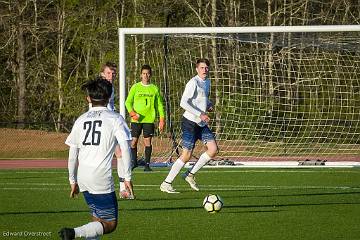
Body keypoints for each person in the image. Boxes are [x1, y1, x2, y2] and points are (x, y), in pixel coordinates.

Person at [58, 78, 133, 240]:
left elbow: (73, 153)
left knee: (97, 218)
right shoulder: (115, 119)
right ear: (109, 97)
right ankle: (73, 233)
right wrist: (127, 177)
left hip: (83, 177)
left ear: (89, 98)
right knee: (110, 224)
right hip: (100, 177)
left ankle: (79, 233)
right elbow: (125, 148)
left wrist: (72, 180)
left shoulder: (81, 120)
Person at [160, 58, 218, 193]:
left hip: (201, 123)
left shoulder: (207, 81)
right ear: (197, 69)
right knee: (186, 155)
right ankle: (166, 183)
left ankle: (189, 174)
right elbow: (183, 103)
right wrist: (200, 114)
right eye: (202, 68)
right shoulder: (193, 83)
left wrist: (208, 104)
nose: (205, 70)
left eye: (206, 68)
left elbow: (200, 99)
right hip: (190, 123)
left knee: (213, 149)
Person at [100, 62, 134, 199]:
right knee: (106, 156)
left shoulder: (110, 86)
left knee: (119, 153)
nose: (111, 75)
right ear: (102, 73)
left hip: (111, 123)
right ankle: (105, 189)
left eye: (113, 73)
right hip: (104, 124)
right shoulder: (100, 87)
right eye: (108, 73)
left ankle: (123, 189)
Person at [125, 64, 165, 171]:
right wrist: (132, 113)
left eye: (147, 73)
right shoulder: (135, 87)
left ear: (150, 75)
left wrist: (162, 119)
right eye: (143, 73)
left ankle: (147, 165)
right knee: (133, 141)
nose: (145, 75)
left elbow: (159, 105)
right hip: (136, 120)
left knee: (148, 142)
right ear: (140, 75)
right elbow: (128, 102)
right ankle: (134, 162)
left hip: (149, 120)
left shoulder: (154, 89)